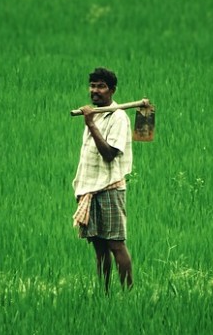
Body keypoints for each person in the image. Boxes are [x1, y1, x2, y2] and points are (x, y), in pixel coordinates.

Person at [72, 67, 133, 292]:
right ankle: (103, 294)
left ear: (112, 90)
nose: (95, 91)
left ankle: (128, 295)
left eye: (101, 86)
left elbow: (108, 154)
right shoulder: (95, 113)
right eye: (93, 86)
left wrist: (90, 123)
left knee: (116, 244)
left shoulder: (118, 117)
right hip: (90, 188)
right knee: (98, 247)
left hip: (109, 189)